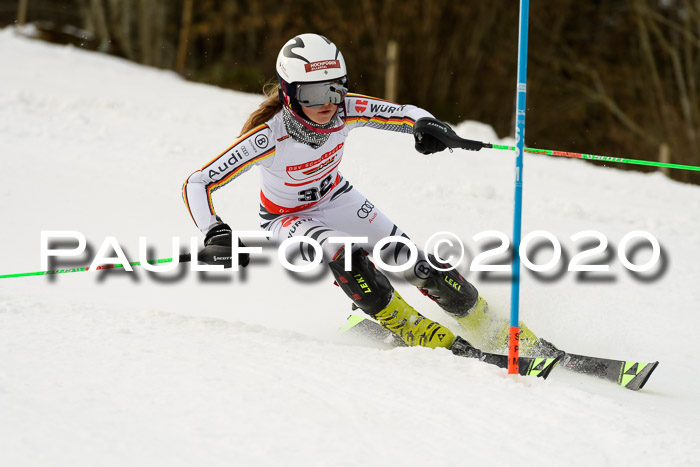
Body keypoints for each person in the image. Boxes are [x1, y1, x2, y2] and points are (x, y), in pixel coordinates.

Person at [182, 33, 532, 354]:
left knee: (412, 260)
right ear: (289, 94)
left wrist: (425, 125)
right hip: (286, 218)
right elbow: (197, 182)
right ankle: (410, 327)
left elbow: (404, 113)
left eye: (335, 90)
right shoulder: (268, 137)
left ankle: (488, 323)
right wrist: (215, 231)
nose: (328, 104)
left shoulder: (344, 109)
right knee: (343, 252)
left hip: (336, 198)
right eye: (312, 95)